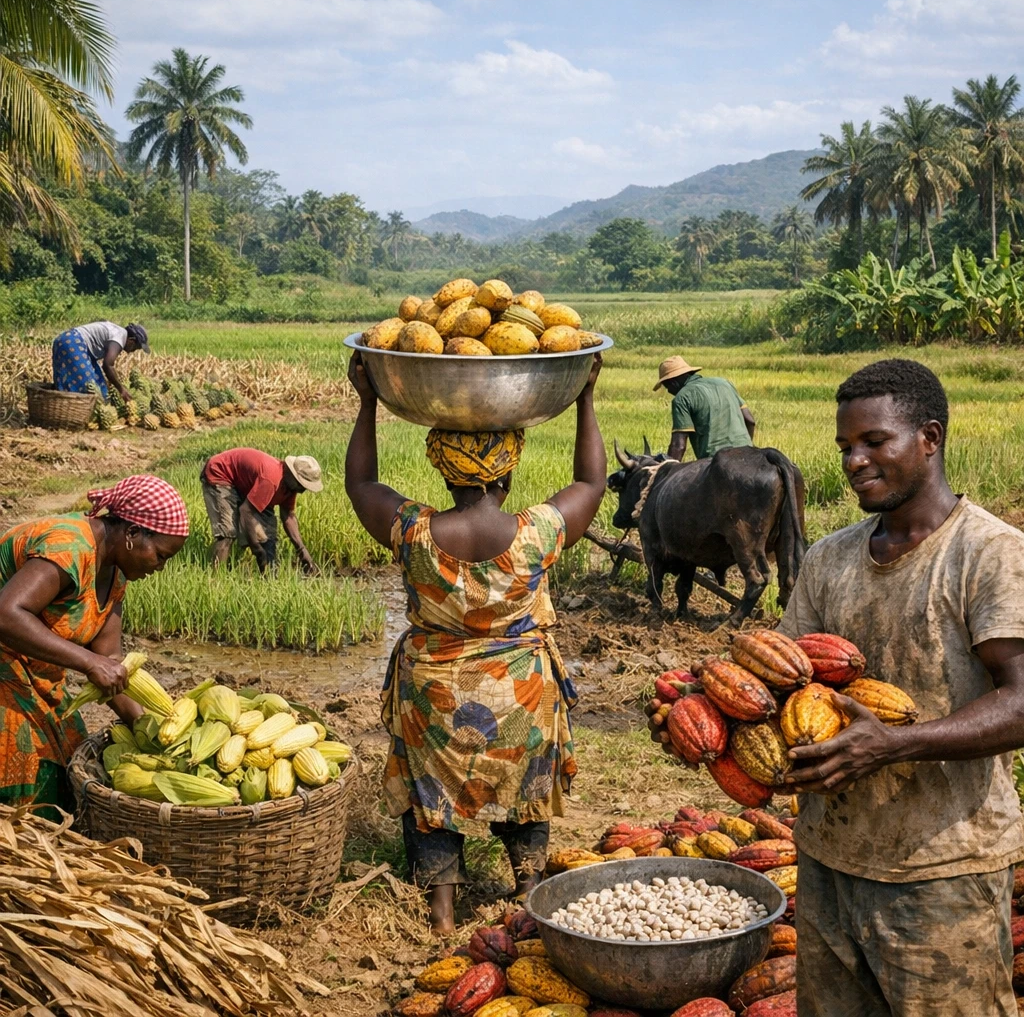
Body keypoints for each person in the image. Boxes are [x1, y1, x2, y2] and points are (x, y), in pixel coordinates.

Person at [652, 359, 1024, 1015]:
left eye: (874, 442)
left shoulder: (988, 554)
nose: (854, 460)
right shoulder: (830, 558)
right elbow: (785, 688)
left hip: (941, 870)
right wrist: (697, 717)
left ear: (930, 438)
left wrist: (893, 745)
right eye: (845, 447)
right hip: (827, 863)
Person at [345, 350, 606, 935]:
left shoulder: (414, 533)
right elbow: (591, 480)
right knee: (523, 786)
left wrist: (368, 402)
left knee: (430, 791)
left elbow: (360, 481)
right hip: (521, 690)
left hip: (434, 692)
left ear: (443, 469)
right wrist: (585, 395)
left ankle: (440, 913)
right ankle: (528, 890)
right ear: (507, 473)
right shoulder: (537, 532)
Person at [0, 475, 188, 820]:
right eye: (160, 555)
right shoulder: (68, 547)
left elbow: (110, 664)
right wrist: (87, 662)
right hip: (5, 663)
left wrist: (154, 733)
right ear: (132, 534)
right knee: (23, 747)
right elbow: (6, 614)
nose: (159, 567)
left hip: (32, 672)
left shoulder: (115, 573)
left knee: (70, 747)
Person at [200, 449, 322, 574]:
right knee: (228, 533)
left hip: (244, 482)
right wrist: (256, 547)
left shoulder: (290, 487)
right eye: (302, 485)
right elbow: (246, 512)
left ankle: (269, 577)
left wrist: (303, 552)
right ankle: (214, 579)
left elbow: (288, 517)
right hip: (220, 473)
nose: (302, 490)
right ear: (292, 475)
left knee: (268, 536)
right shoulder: (271, 479)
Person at [653, 355, 755, 461]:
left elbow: (679, 446)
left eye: (667, 387)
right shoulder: (725, 384)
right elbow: (750, 420)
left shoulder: (682, 398)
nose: (669, 392)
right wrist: (748, 446)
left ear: (673, 383)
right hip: (747, 454)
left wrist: (667, 469)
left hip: (715, 460)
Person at [51, 321, 150, 401]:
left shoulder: (119, 333)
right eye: (135, 348)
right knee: (88, 385)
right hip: (72, 342)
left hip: (82, 348)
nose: (131, 352)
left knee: (100, 387)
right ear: (131, 340)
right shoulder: (119, 338)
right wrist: (121, 389)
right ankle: (73, 411)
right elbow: (108, 365)